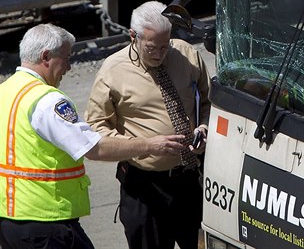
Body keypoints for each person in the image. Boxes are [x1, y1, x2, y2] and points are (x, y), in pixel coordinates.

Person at [0, 23, 186, 249]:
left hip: (10, 220)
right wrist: (149, 145)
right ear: (46, 57)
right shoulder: (47, 101)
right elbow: (94, 149)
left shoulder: (6, 91)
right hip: (47, 222)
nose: (69, 67)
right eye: (67, 58)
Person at [85, 0, 212, 249]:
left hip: (190, 181)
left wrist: (204, 128)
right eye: (152, 48)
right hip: (146, 188)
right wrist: (146, 145)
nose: (159, 54)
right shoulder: (113, 70)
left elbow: (209, 101)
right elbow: (95, 133)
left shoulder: (186, 55)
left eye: (165, 47)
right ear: (134, 36)